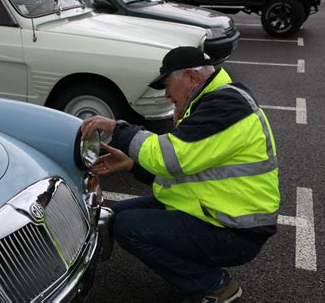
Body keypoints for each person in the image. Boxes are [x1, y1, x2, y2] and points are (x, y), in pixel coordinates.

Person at [81, 46, 280, 302]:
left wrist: (117, 128)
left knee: (128, 227)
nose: (166, 93)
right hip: (217, 210)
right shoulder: (215, 101)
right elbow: (186, 169)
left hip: (236, 231)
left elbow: (169, 158)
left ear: (191, 77)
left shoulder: (225, 106)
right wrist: (131, 165)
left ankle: (215, 286)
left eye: (168, 84)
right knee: (115, 215)